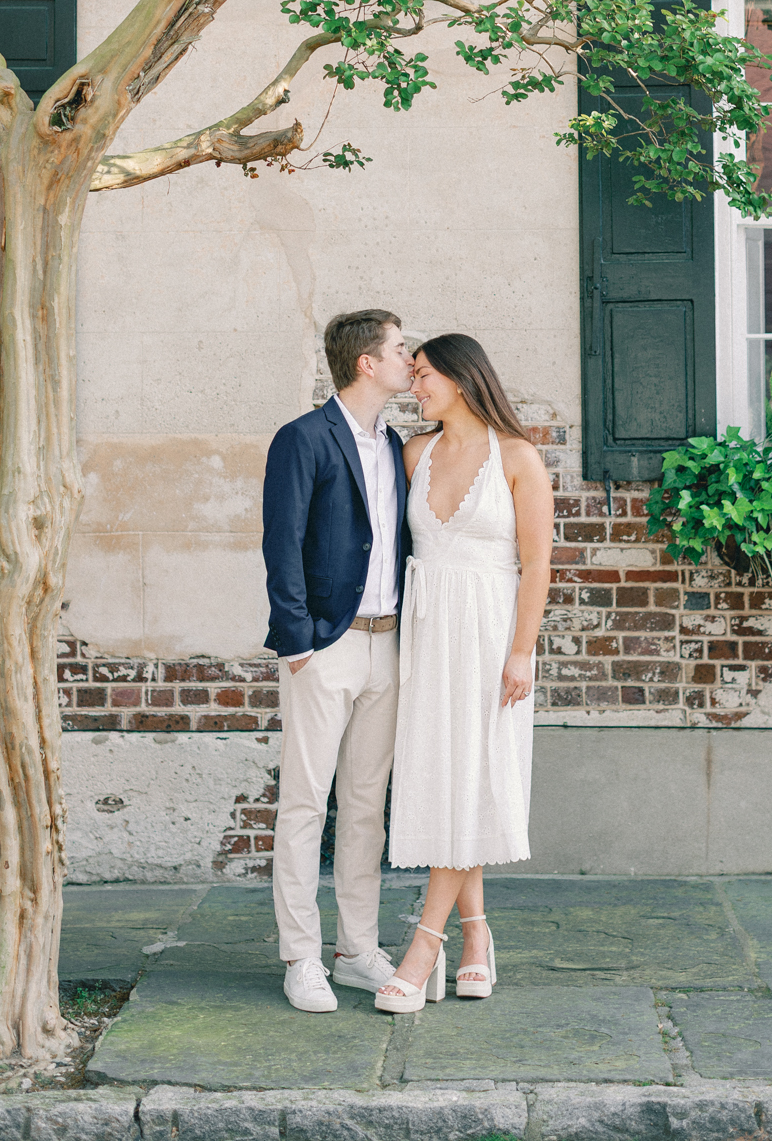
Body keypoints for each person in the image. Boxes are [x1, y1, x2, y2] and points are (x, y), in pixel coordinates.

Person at [374, 333, 554, 1012]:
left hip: (488, 636)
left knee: (473, 776)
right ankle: (475, 933)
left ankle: (425, 945)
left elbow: (536, 563)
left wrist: (521, 651)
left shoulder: (518, 457)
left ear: (460, 376)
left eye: (423, 376)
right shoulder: (415, 453)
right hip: (425, 635)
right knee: (448, 782)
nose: (414, 387)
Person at [261, 308, 414, 1014]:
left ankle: (356, 948)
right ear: (367, 364)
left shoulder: (399, 446)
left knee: (363, 807)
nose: (410, 360)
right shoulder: (303, 439)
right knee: (304, 804)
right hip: (325, 647)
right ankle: (300, 955)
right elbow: (281, 543)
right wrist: (298, 645)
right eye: (401, 349)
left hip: (387, 646)